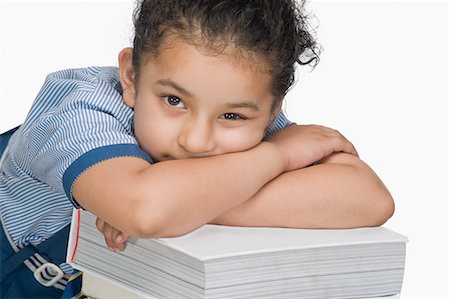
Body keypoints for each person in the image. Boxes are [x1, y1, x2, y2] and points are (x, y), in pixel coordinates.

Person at [0, 0, 395, 297]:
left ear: (273, 109)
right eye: (173, 101)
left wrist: (182, 204)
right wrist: (278, 156)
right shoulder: (75, 109)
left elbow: (368, 198)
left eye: (232, 117)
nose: (197, 140)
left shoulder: (247, 115)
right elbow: (146, 208)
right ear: (132, 75)